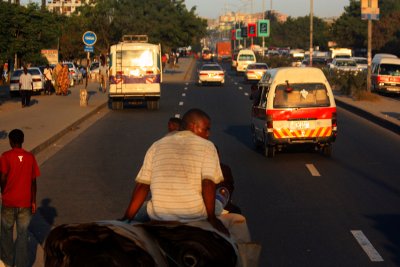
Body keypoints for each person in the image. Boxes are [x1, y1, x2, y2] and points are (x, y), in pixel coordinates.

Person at [123, 108, 229, 236]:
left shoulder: (156, 145)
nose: (208, 134)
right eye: (206, 129)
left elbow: (142, 186)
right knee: (218, 204)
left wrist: (126, 219)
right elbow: (208, 183)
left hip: (159, 216)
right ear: (193, 126)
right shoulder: (207, 146)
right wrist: (212, 219)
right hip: (193, 216)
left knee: (142, 211)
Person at [0, 129, 40, 267]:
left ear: (10, 141)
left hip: (9, 201)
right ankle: (22, 264)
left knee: (6, 232)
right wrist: (33, 201)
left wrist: (3, 190)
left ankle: (7, 262)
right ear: (22, 141)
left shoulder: (5, 156)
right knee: (23, 235)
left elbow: (3, 177)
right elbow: (33, 182)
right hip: (25, 203)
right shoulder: (30, 157)